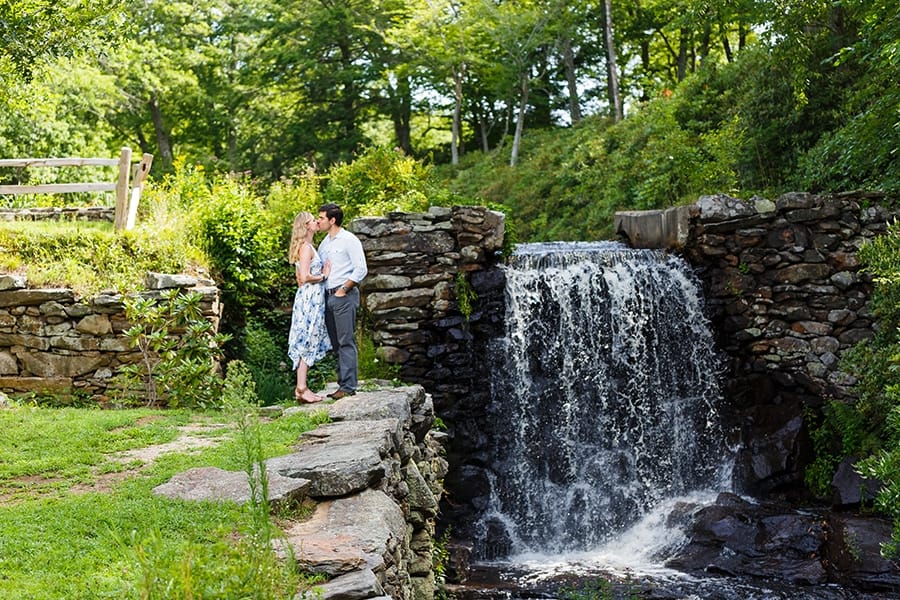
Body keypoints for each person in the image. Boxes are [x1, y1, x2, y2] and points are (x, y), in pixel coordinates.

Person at [316, 203, 367, 399]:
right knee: (336, 344)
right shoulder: (325, 244)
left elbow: (361, 269)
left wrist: (344, 289)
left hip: (343, 296)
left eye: (321, 218)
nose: (318, 221)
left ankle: (348, 387)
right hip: (328, 296)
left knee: (346, 341)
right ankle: (342, 385)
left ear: (332, 220)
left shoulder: (349, 240)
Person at [287, 211, 332, 403]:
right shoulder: (306, 248)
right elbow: (304, 277)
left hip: (308, 297)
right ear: (306, 226)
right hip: (310, 298)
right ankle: (301, 387)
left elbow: (299, 279)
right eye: (313, 220)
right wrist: (324, 275)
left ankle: (302, 387)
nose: (316, 222)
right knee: (307, 339)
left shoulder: (308, 247)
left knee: (307, 338)